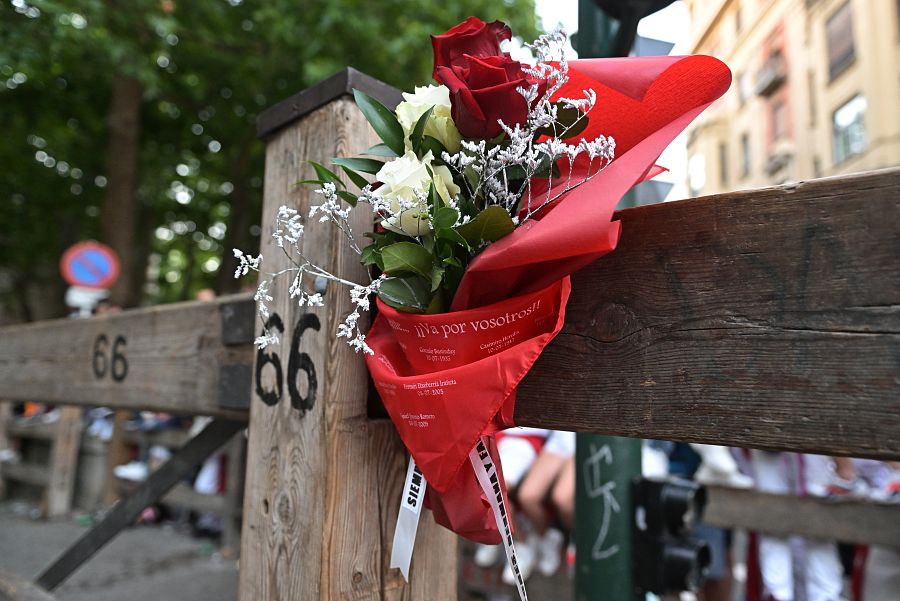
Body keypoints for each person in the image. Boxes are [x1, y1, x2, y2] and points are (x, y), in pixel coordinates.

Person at [516, 430, 576, 580]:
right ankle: (547, 538)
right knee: (527, 496)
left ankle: (574, 541)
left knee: (562, 498)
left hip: (585, 438)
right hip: (561, 437)